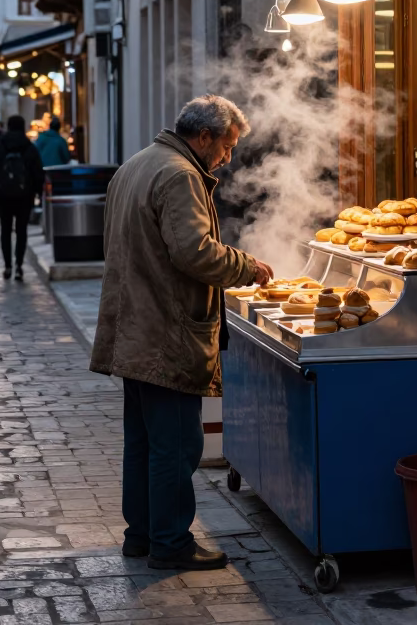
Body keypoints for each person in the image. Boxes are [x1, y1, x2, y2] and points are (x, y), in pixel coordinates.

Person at [90, 95, 273, 571]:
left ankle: (142, 535)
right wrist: (246, 266)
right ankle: (171, 543)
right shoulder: (180, 174)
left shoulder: (136, 164)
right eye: (227, 146)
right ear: (205, 136)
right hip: (164, 333)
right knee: (176, 444)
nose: (228, 158)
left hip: (134, 326)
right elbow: (194, 252)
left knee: (144, 441)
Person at [0, 115, 43, 282]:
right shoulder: (29, 148)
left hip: (3, 196)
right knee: (21, 230)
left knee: (5, 230)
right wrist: (38, 192)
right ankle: (19, 266)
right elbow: (37, 172)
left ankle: (7, 265)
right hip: (25, 195)